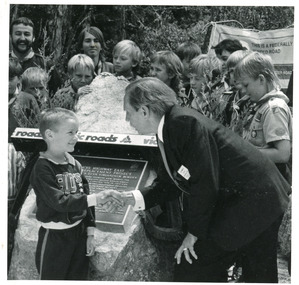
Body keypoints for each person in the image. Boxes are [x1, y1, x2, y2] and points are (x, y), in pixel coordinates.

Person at [120, 77, 289, 282]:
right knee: (256, 270)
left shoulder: (182, 123)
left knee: (194, 266)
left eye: (129, 114)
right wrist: (132, 197)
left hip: (253, 201)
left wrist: (194, 234)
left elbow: (204, 182)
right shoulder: (170, 125)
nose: (128, 121)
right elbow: (172, 183)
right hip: (257, 198)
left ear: (144, 111)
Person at [29, 108, 122, 280]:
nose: (76, 137)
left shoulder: (74, 164)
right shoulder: (42, 168)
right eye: (70, 132)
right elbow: (59, 201)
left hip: (78, 235)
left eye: (77, 132)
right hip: (55, 238)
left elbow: (86, 198)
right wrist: (95, 198)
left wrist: (90, 233)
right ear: (50, 135)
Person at [234, 51, 292, 183]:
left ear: (261, 79)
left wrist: (244, 151)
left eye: (246, 85)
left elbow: (282, 154)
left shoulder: (273, 108)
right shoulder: (261, 106)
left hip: (275, 182)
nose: (243, 91)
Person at [9, 17, 62, 96]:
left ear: (33, 37)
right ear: (11, 36)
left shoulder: (46, 64)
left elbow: (59, 95)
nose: (22, 38)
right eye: (18, 34)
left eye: (27, 34)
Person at [188, 54, 228, 124]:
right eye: (191, 77)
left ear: (212, 80)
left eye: (197, 79)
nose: (192, 82)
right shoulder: (193, 96)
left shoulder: (217, 103)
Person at [225, 49, 253, 135]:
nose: (235, 76)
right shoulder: (227, 99)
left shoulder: (256, 101)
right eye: (232, 71)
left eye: (239, 70)